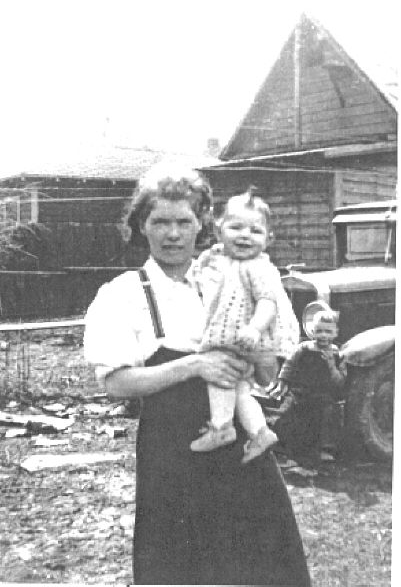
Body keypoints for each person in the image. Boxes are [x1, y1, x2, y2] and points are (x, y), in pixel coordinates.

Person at [84, 164, 311, 586]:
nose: (172, 234)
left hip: (244, 450)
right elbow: (115, 383)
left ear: (203, 223)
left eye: (184, 222)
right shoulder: (124, 294)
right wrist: (194, 365)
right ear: (141, 226)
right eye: (160, 222)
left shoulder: (237, 276)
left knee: (262, 568)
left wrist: (255, 353)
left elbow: (269, 376)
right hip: (173, 455)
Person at [190, 188, 279, 463]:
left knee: (220, 375)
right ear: (219, 232)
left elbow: (268, 302)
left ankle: (221, 427)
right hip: (232, 337)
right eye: (236, 227)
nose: (245, 236)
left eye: (255, 231)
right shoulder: (218, 258)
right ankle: (260, 432)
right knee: (240, 388)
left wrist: (255, 328)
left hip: (237, 338)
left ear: (269, 239)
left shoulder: (257, 267)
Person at [274, 309, 347, 464]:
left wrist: (331, 365)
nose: (323, 335)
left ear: (336, 333)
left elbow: (340, 381)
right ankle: (284, 448)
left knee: (328, 418)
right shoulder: (304, 348)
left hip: (324, 397)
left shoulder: (337, 354)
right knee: (287, 417)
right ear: (312, 331)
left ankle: (325, 449)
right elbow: (289, 365)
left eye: (328, 331)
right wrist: (282, 383)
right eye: (319, 331)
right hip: (301, 393)